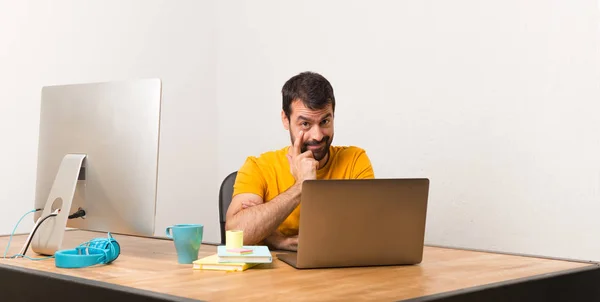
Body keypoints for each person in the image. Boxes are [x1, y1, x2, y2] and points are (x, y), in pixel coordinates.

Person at [225, 71, 375, 251]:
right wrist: (301, 186)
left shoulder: (355, 160)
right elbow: (236, 234)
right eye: (305, 124)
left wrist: (270, 233)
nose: (317, 136)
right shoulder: (258, 167)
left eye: (325, 121)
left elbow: (367, 230)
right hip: (271, 277)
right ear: (285, 120)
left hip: (338, 276)